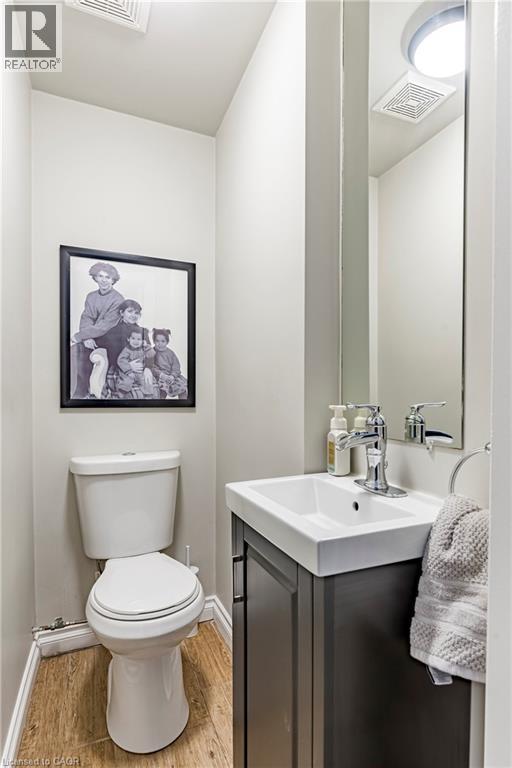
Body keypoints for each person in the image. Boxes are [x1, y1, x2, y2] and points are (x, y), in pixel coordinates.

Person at [70, 262, 124, 398]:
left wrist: (80, 335)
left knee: (86, 353)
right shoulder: (91, 296)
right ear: (95, 277)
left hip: (109, 338)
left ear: (113, 280)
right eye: (100, 276)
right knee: (74, 350)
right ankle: (77, 392)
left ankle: (90, 392)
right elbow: (86, 317)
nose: (104, 280)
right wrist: (86, 337)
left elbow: (106, 325)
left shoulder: (118, 299)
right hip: (91, 336)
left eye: (108, 277)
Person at [88, 300, 149, 398]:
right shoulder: (114, 331)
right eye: (130, 311)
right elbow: (111, 354)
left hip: (141, 368)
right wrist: (128, 366)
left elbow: (147, 353)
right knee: (127, 390)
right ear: (121, 313)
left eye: (136, 313)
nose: (133, 315)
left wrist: (147, 368)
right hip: (120, 368)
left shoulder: (143, 331)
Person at [145, 328, 188, 399]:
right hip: (159, 377)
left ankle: (184, 402)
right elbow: (151, 366)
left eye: (163, 341)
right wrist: (161, 375)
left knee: (183, 387)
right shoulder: (152, 352)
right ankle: (161, 403)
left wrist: (172, 376)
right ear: (154, 341)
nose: (160, 344)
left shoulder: (170, 353)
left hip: (171, 376)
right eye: (157, 341)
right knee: (161, 390)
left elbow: (176, 367)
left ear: (167, 342)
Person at [115, 327, 156, 399]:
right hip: (127, 372)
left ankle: (148, 395)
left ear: (143, 340)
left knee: (146, 380)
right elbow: (121, 360)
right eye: (133, 338)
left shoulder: (143, 348)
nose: (136, 341)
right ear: (128, 339)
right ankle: (121, 393)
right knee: (127, 381)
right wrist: (129, 371)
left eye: (139, 339)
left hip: (140, 371)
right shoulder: (127, 350)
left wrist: (146, 346)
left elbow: (152, 354)